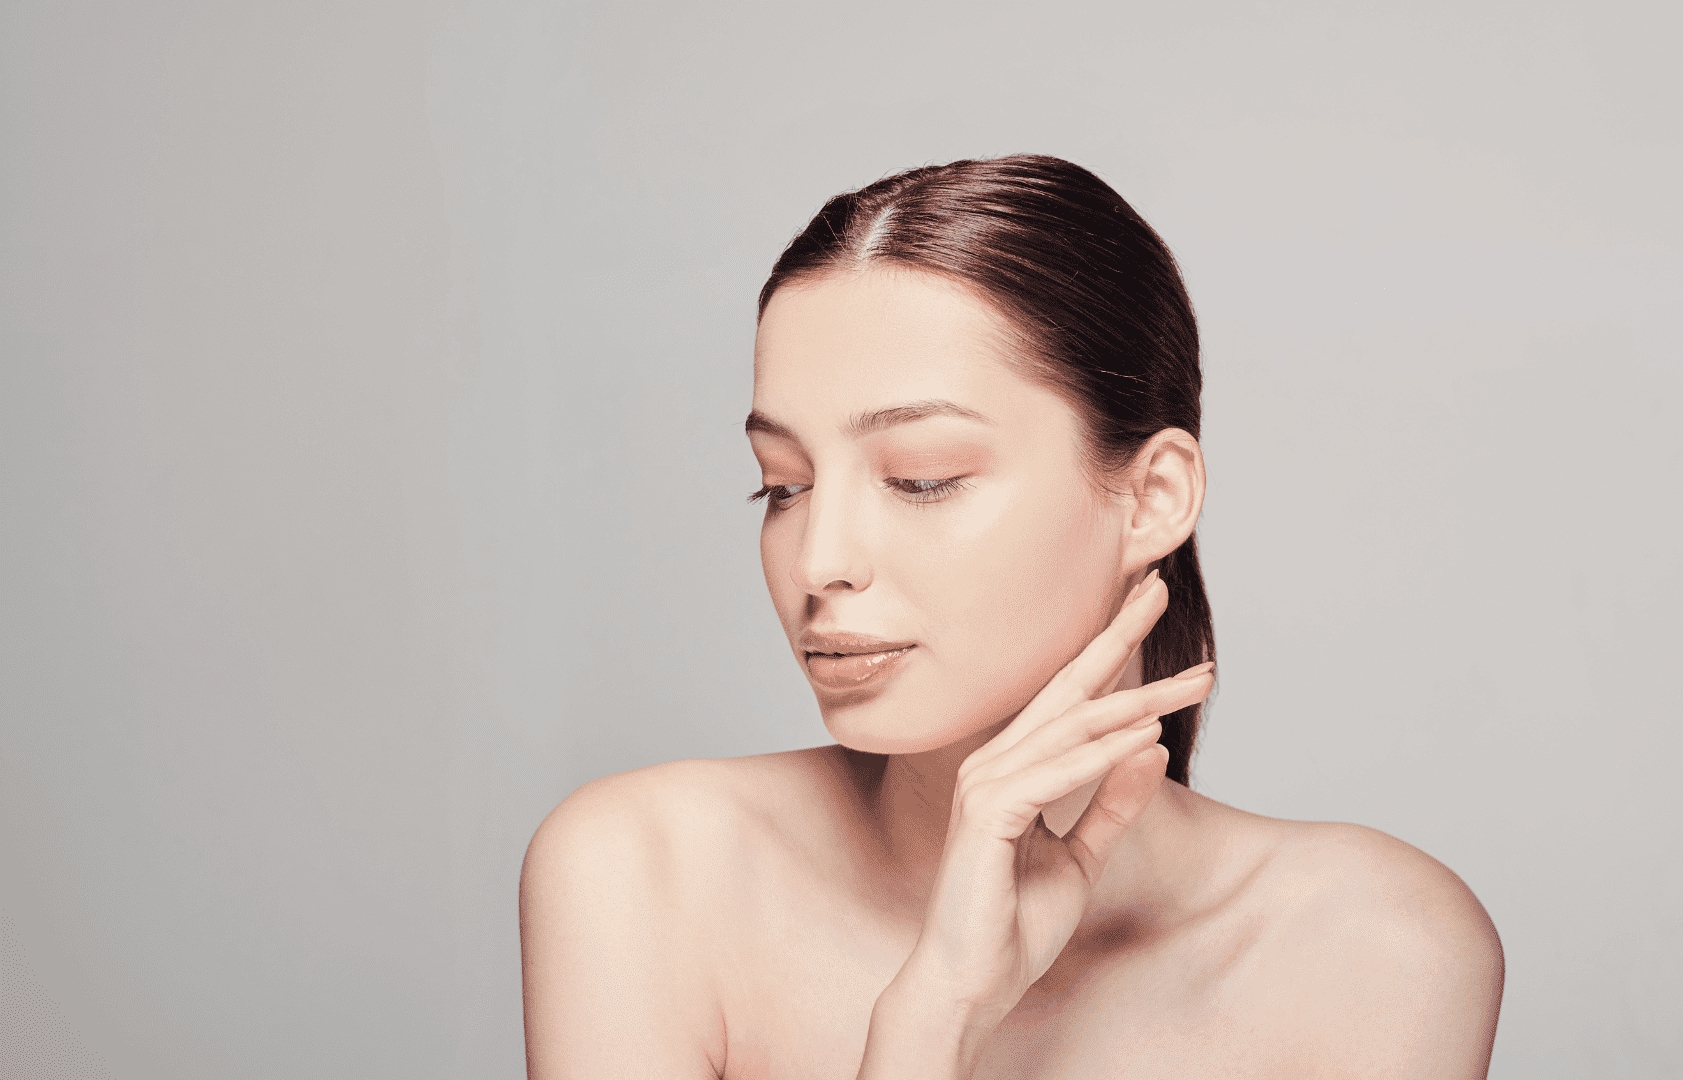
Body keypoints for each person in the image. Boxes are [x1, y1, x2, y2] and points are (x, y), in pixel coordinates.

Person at [519, 155, 1504, 1079]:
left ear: (1152, 496)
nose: (819, 562)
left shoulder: (1374, 944)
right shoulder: (643, 875)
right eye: (782, 487)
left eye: (922, 478)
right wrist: (931, 1018)